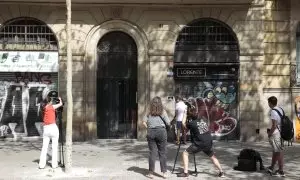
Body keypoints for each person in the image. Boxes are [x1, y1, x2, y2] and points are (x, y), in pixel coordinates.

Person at [177, 106, 225, 178]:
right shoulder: (202, 120)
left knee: (185, 153)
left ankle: (185, 172)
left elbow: (183, 125)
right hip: (208, 141)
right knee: (212, 156)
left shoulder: (192, 123)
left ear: (190, 117)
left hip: (200, 143)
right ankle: (221, 172)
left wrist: (184, 115)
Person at [143, 96, 170, 179]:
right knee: (162, 152)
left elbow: (143, 122)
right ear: (160, 103)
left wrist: (148, 128)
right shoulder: (163, 111)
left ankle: (151, 173)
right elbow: (168, 123)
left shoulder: (149, 112)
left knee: (152, 153)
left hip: (151, 132)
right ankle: (164, 173)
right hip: (161, 132)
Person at [38, 96, 63, 169]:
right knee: (54, 147)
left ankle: (41, 165)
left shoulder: (43, 109)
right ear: (49, 102)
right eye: (51, 100)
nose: (52, 101)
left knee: (44, 147)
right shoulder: (51, 107)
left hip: (46, 129)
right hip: (53, 128)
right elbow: (61, 104)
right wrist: (60, 99)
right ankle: (54, 165)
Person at [266, 96, 285, 177]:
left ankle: (281, 171)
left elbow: (274, 125)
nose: (268, 104)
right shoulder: (280, 109)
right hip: (281, 133)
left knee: (278, 152)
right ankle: (272, 167)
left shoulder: (273, 111)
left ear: (270, 103)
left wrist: (269, 133)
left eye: (268, 103)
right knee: (275, 151)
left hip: (276, 134)